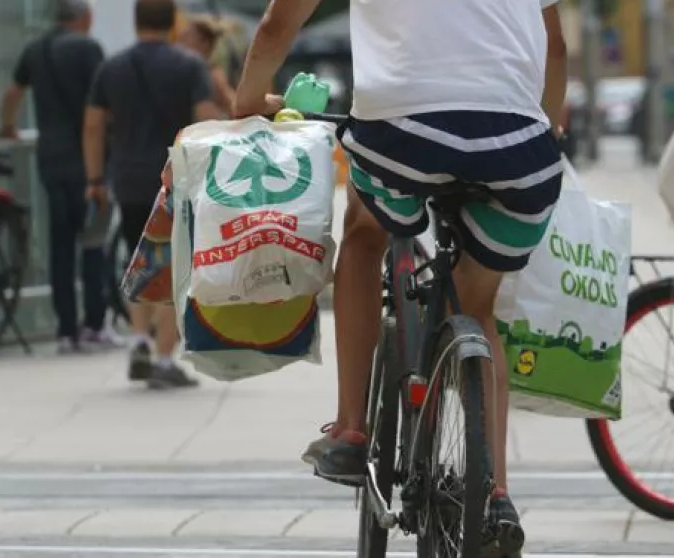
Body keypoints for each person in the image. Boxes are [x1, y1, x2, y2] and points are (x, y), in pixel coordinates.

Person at [233, 0, 567, 553]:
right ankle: (496, 493)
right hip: (521, 153)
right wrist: (547, 126)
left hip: (401, 137)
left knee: (363, 233)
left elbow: (276, 25)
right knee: (478, 310)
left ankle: (349, 428)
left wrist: (246, 102)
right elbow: (554, 47)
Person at [83, 0, 220, 389]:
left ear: (136, 20)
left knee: (138, 261)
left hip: (127, 178)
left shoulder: (111, 67)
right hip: (178, 178)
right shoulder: (190, 65)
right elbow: (206, 119)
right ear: (172, 22)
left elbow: (93, 126)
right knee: (176, 267)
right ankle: (162, 358)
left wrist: (95, 178)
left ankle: (139, 339)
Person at [0, 0, 119, 353]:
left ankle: (66, 330)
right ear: (86, 18)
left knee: (60, 247)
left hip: (51, 160)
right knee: (93, 242)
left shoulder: (35, 49)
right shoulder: (88, 48)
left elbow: (12, 93)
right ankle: (95, 324)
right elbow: (103, 103)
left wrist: (7, 125)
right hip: (88, 161)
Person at [177, 15, 237, 116]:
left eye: (187, 36)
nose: (181, 40)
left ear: (204, 43)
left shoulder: (213, 75)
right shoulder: (186, 70)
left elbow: (233, 106)